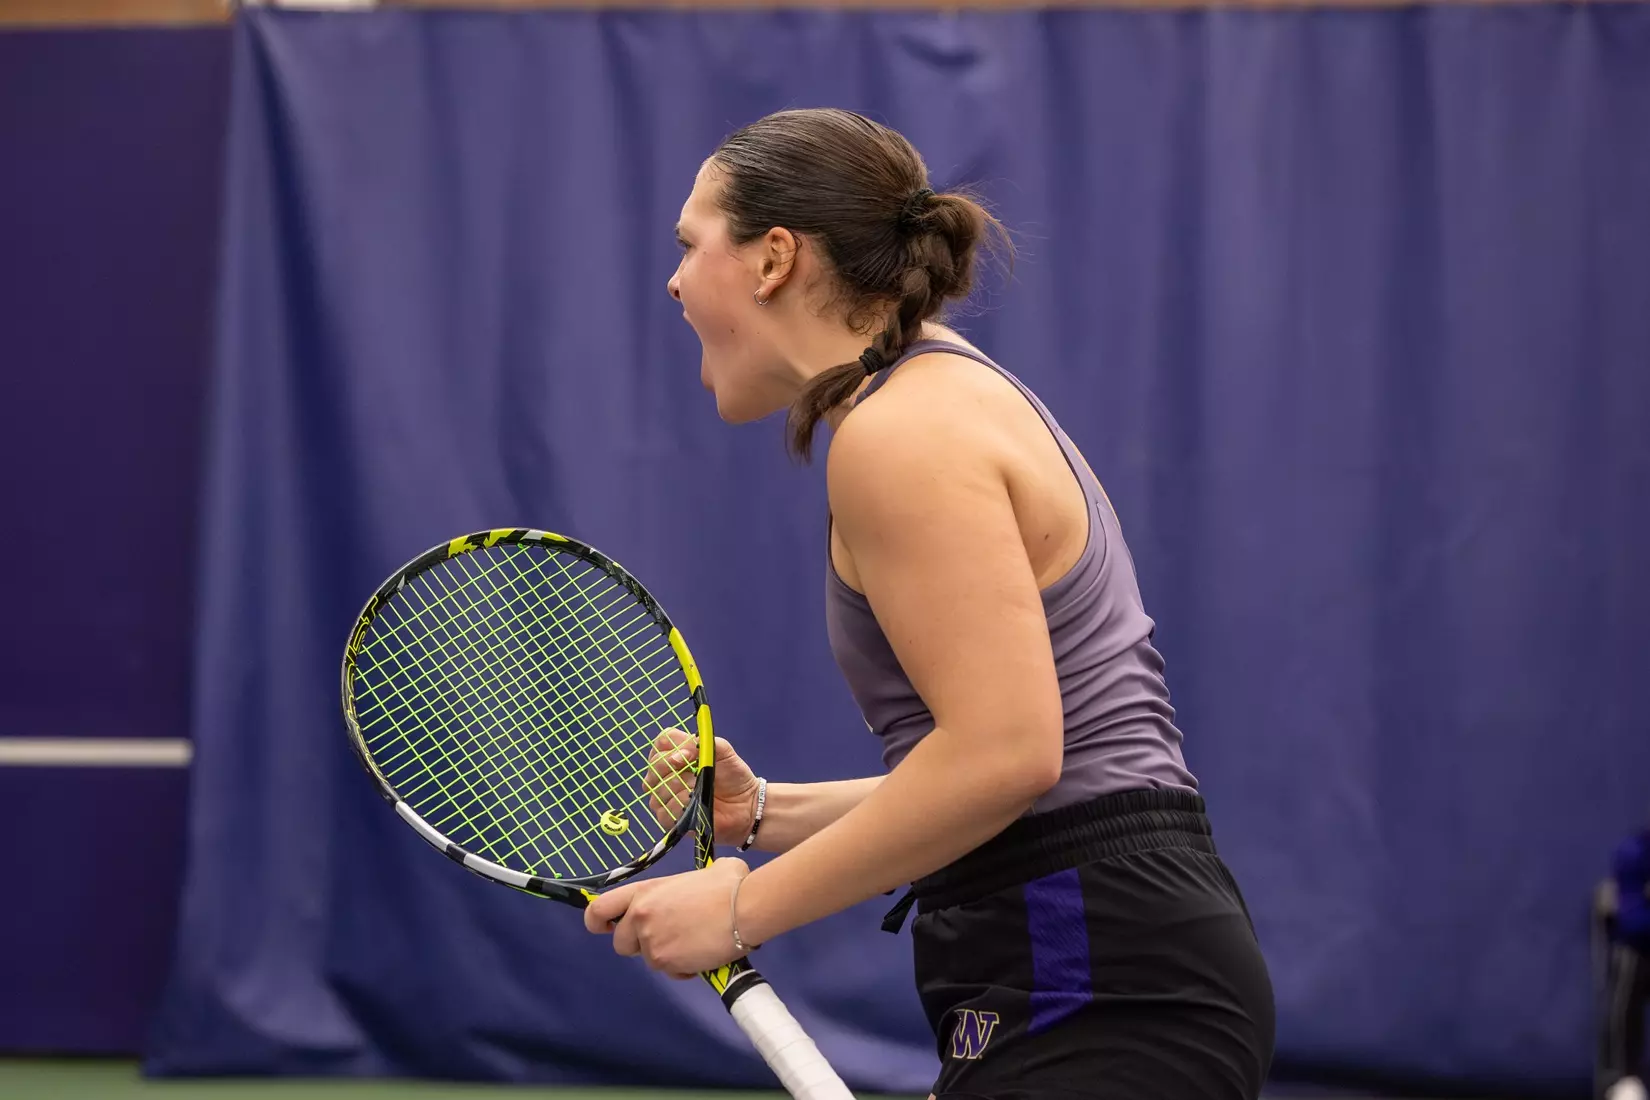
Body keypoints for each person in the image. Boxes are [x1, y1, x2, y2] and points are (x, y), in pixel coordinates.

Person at [585, 107, 1275, 1100]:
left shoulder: (901, 432)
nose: (676, 279)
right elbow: (1044, 768)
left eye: (691, 245)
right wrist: (767, 814)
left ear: (774, 257)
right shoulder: (934, 398)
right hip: (1101, 945)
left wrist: (741, 911)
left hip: (1093, 966)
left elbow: (1007, 755)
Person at [1602, 821, 1650, 1100]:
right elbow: (1631, 923)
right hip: (1641, 952)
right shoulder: (1634, 853)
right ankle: (1626, 1078)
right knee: (1629, 960)